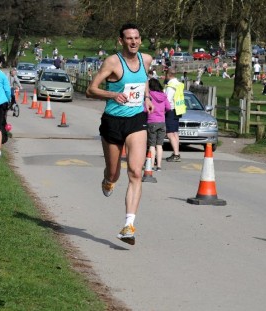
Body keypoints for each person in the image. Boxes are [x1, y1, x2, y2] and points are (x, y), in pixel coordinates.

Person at [85, 23, 153, 245]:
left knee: (135, 171)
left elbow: (144, 80)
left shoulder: (147, 60)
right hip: (113, 121)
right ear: (121, 41)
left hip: (136, 120)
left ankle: (128, 225)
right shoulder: (113, 62)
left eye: (137, 38)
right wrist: (112, 95)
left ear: (140, 40)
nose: (133, 42)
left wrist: (147, 98)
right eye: (129, 38)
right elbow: (90, 89)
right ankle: (108, 179)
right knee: (114, 173)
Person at [147, 78, 171, 171]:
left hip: (152, 121)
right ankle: (159, 166)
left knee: (152, 145)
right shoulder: (164, 96)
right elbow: (168, 108)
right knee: (159, 145)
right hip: (162, 122)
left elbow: (145, 108)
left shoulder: (149, 96)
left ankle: (151, 165)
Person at [164, 67, 184, 162]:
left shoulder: (171, 86)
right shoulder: (178, 84)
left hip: (170, 110)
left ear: (168, 75)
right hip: (178, 109)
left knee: (170, 133)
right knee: (175, 133)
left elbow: (167, 100)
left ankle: (176, 154)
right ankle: (177, 153)